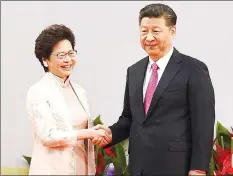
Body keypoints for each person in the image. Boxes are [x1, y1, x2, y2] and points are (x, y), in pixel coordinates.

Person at [93, 3, 215, 176]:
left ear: (172, 31)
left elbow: (203, 123)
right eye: (144, 31)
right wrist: (109, 133)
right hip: (139, 166)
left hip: (176, 166)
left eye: (155, 31)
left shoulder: (193, 69)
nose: (148, 37)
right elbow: (129, 119)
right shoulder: (134, 71)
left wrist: (198, 168)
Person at [26, 24, 110, 175]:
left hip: (82, 169)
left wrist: (97, 133)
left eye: (71, 53)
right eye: (61, 55)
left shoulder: (80, 92)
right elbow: (48, 136)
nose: (68, 60)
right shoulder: (37, 91)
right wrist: (87, 133)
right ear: (45, 60)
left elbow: (85, 132)